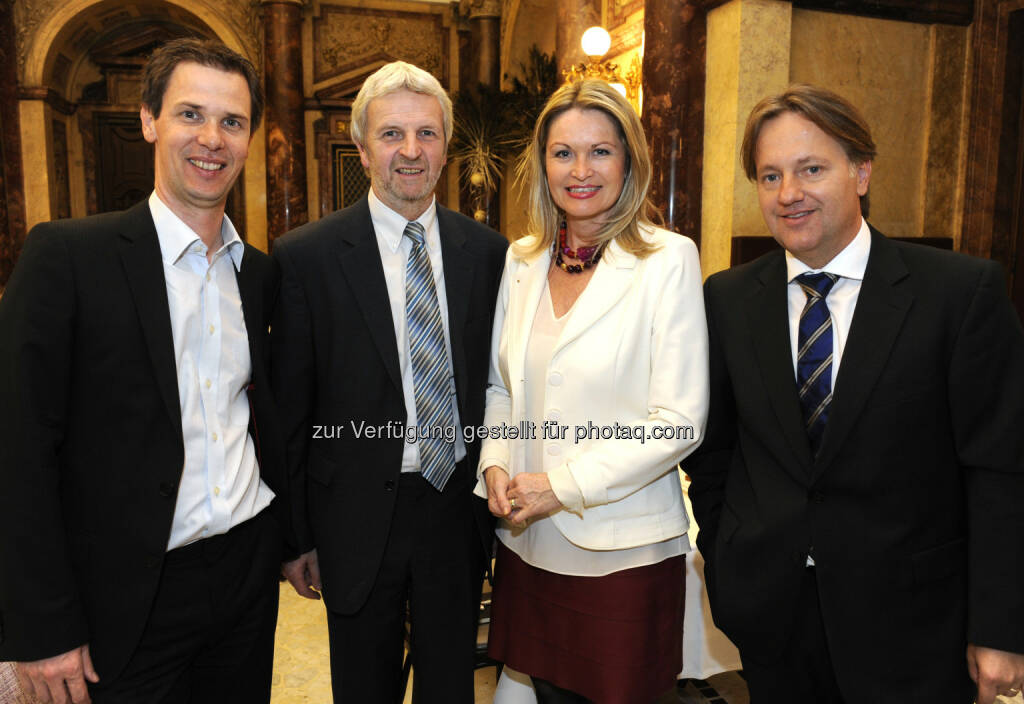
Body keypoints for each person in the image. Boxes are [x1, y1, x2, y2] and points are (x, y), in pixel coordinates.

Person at [686, 83, 1024, 704]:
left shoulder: (959, 293)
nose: (789, 194)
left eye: (812, 169)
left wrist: (1001, 629)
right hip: (774, 621)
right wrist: (729, 553)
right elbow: (716, 453)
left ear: (861, 171)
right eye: (769, 175)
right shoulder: (728, 298)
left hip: (916, 628)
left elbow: (1001, 471)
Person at [0, 38, 286, 703]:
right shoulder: (68, 259)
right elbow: (17, 452)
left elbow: (262, 417)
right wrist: (39, 625)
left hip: (245, 580)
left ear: (248, 139)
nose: (212, 138)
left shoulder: (260, 276)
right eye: (191, 114)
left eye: (233, 122)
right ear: (149, 119)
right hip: (126, 592)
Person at [272, 61, 507, 702]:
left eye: (427, 134)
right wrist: (296, 538)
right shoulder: (307, 257)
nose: (411, 151)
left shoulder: (489, 254)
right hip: (351, 515)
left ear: (446, 146)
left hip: (455, 508)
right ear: (362, 147)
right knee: (363, 685)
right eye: (392, 134)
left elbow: (501, 386)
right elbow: (290, 412)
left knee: (450, 685)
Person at [478, 78, 709, 704]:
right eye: (563, 153)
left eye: (600, 151)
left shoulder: (668, 260)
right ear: (542, 164)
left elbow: (679, 421)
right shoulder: (522, 260)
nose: (580, 170)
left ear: (629, 159)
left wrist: (561, 486)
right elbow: (503, 384)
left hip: (623, 552)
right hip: (529, 544)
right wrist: (496, 461)